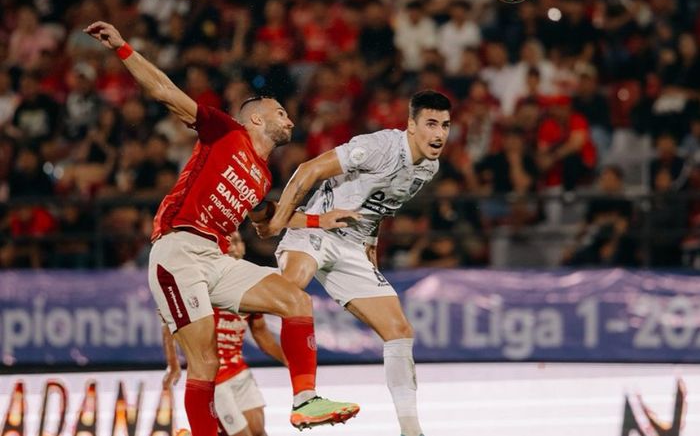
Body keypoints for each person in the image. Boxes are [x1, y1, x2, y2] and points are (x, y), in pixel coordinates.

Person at [84, 21, 359, 436]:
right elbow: (164, 92)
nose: (289, 118)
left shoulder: (263, 175)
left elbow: (267, 223)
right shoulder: (225, 131)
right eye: (279, 112)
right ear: (254, 118)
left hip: (215, 258)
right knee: (207, 361)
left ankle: (306, 401)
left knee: (295, 300)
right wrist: (123, 48)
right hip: (177, 251)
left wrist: (320, 220)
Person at [257, 90, 452, 436]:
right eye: (431, 124)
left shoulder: (429, 169)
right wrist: (280, 220)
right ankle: (303, 395)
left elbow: (380, 206)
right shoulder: (380, 147)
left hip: (352, 245)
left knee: (399, 332)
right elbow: (309, 169)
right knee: (292, 288)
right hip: (317, 226)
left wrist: (371, 244)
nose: (439, 134)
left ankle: (411, 430)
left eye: (445, 126)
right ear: (410, 125)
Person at [162, 232, 286, 436]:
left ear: (244, 247)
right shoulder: (206, 281)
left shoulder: (252, 283)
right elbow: (170, 321)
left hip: (239, 371)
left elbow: (261, 333)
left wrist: (290, 361)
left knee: (259, 432)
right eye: (226, 243)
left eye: (236, 241)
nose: (232, 247)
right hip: (214, 378)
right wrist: (173, 364)